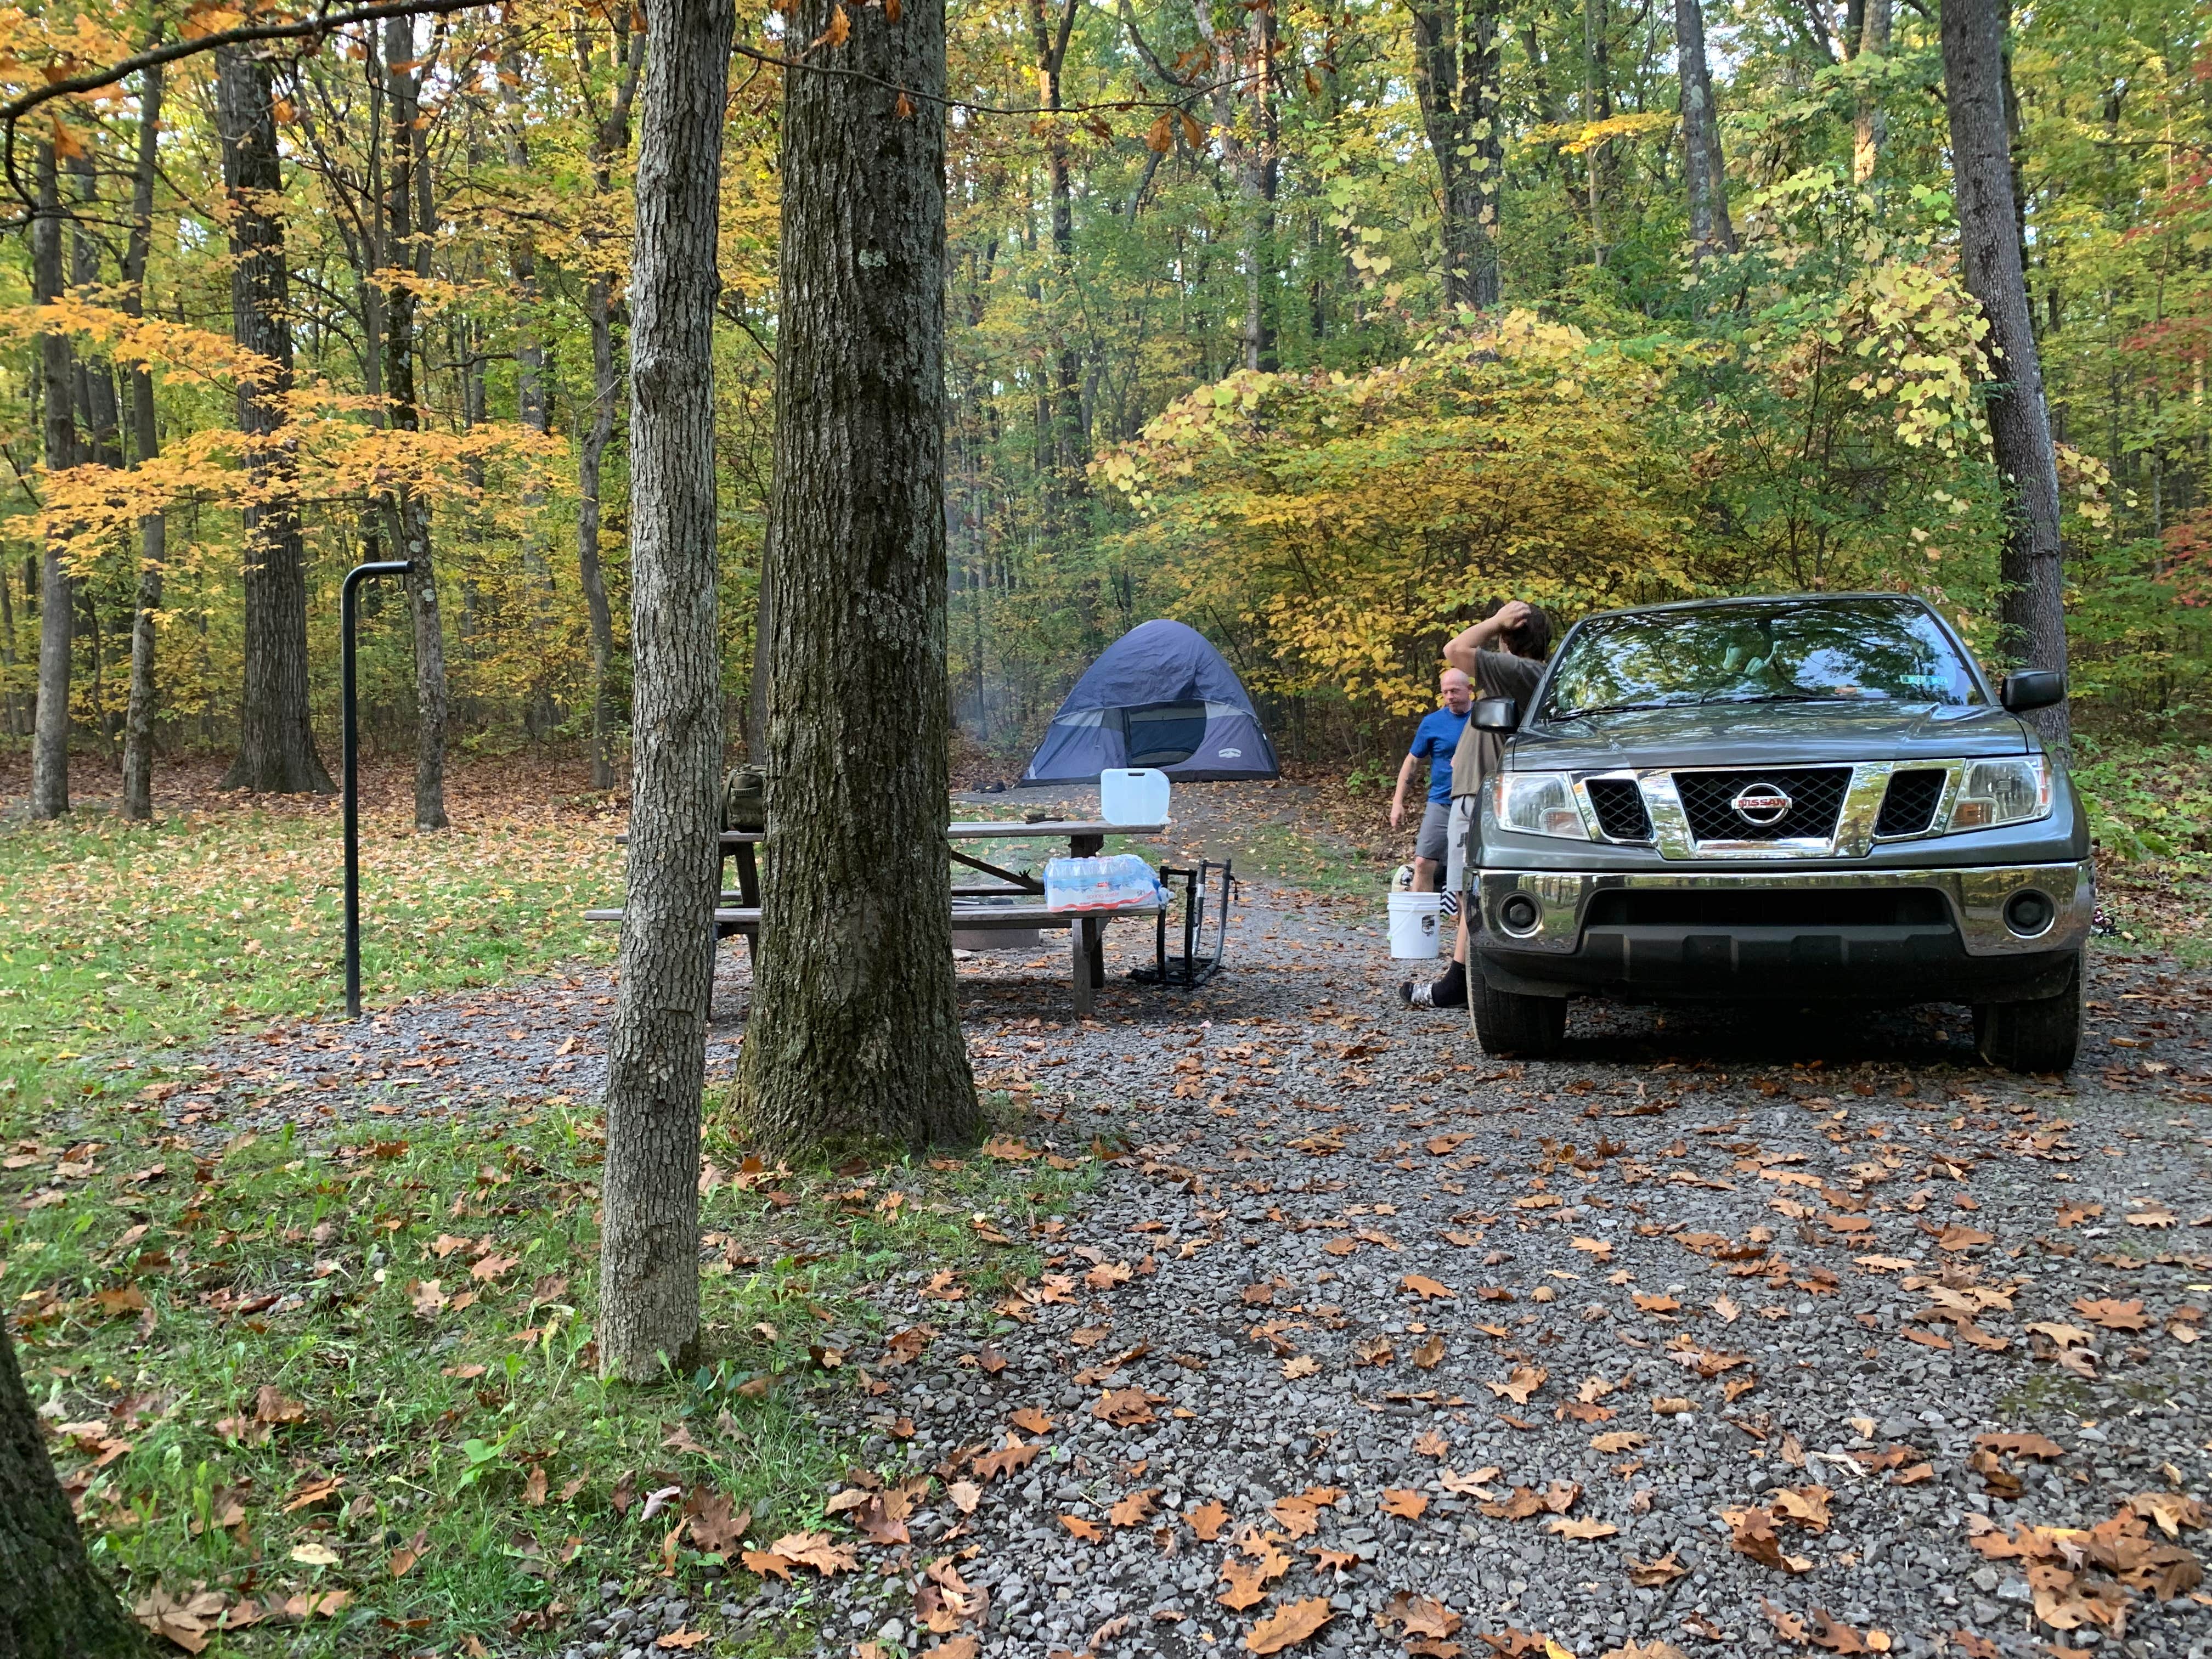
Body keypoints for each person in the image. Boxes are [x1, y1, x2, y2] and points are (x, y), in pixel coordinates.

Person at [1403, 599, 1554, 1009]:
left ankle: (1461, 984)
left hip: (1478, 798)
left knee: (1472, 890)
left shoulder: (1521, 670)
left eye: (1503, 631)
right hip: (1477, 791)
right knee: (1471, 890)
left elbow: (1455, 651)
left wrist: (1493, 621)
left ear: (1509, 637)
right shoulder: (1525, 677)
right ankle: (1468, 980)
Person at [1390, 668, 1473, 891]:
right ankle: (1423, 922)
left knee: (1466, 869)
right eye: (1445, 692)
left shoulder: (1484, 718)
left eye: (1455, 691)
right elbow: (1412, 762)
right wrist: (1398, 802)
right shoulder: (1432, 722)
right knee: (1423, 862)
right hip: (1441, 801)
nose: (1450, 697)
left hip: (1475, 800)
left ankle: (1465, 923)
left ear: (1470, 690)